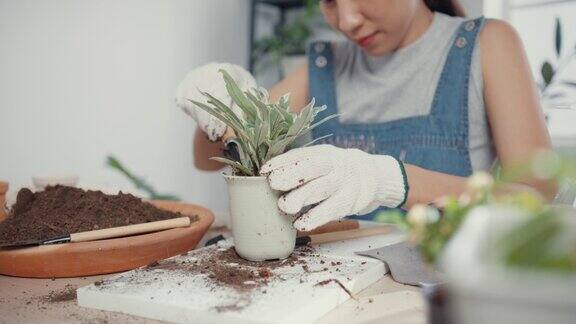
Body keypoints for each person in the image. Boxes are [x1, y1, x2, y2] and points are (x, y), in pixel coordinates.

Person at [176, 0, 555, 231]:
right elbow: (208, 160)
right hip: (344, 289)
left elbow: (536, 197)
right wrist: (218, 104)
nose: (346, 20)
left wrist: (392, 180)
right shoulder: (323, 67)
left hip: (446, 290)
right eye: (329, 0)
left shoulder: (488, 44)